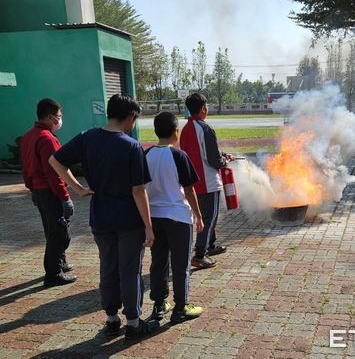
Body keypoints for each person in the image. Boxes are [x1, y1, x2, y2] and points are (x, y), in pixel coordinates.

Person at [49, 94, 158, 340]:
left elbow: (55, 161)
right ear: (130, 117)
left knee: (108, 268)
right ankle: (133, 321)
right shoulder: (131, 146)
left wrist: (78, 189)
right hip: (128, 220)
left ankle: (111, 318)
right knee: (130, 270)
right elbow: (139, 191)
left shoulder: (87, 138)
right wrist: (149, 227)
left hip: (101, 216)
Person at [145, 112, 205, 323]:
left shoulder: (147, 154)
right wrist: (198, 215)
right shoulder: (179, 156)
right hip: (178, 217)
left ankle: (159, 304)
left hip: (154, 217)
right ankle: (181, 307)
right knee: (181, 264)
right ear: (175, 132)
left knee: (158, 261)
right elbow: (189, 191)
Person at [20, 98, 78, 287]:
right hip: (49, 192)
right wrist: (65, 197)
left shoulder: (29, 136)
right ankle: (53, 274)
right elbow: (54, 172)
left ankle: (59, 263)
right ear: (51, 117)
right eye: (59, 117)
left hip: (39, 191)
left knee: (51, 229)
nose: (60, 121)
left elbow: (26, 167)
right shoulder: (47, 139)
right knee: (60, 234)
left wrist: (32, 189)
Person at [180, 92, 233, 269]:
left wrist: (222, 155)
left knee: (207, 216)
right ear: (203, 108)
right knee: (208, 218)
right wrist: (225, 160)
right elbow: (214, 160)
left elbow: (202, 153)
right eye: (207, 106)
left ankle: (210, 246)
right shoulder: (206, 129)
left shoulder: (186, 129)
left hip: (192, 182)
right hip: (208, 182)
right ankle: (200, 254)